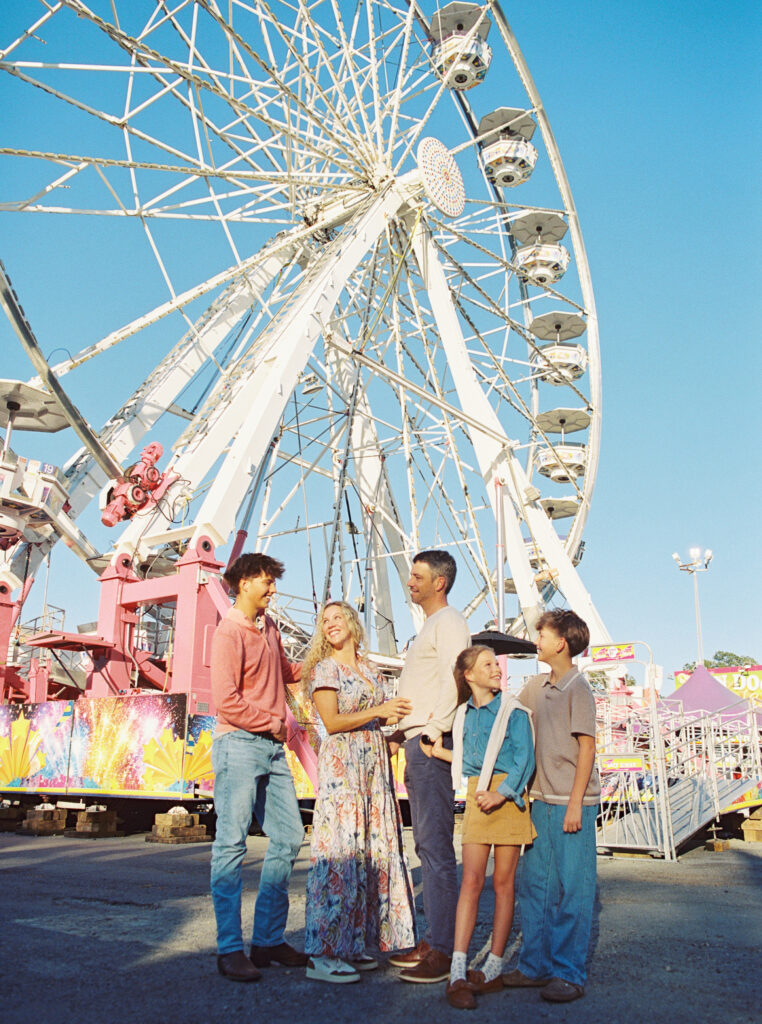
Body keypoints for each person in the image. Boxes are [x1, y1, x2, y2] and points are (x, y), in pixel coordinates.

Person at [302, 601, 417, 984]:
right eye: (325, 621)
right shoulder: (325, 669)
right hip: (343, 772)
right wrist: (379, 713)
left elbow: (384, 718)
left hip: (372, 770)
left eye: (338, 618)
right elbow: (332, 722)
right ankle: (323, 953)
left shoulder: (369, 672)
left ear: (352, 623)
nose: (331, 624)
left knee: (369, 854)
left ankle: (353, 944)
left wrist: (397, 731)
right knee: (339, 855)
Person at [210, 553, 308, 982]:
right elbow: (225, 701)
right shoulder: (228, 633)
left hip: (271, 747)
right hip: (239, 744)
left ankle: (267, 939)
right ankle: (229, 948)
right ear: (244, 582)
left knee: (289, 836)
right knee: (230, 844)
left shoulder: (269, 627)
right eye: (267, 582)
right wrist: (273, 722)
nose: (273, 589)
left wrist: (325, 657)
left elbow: (286, 672)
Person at [431, 644, 536, 1010]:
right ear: (469, 675)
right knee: (472, 881)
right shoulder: (463, 715)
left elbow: (525, 757)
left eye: (496, 663)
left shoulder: (514, 711)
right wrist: (437, 752)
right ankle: (457, 969)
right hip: (478, 794)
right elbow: (466, 758)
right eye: (488, 664)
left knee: (504, 883)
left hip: (507, 796)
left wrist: (502, 794)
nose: (497, 668)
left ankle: (492, 967)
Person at [503, 609, 600, 1004]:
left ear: (560, 642)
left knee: (573, 888)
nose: (536, 640)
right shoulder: (535, 686)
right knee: (536, 885)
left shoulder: (579, 688)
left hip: (569, 802)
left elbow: (587, 747)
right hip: (540, 799)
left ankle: (569, 973)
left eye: (541, 634)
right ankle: (534, 966)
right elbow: (509, 714)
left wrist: (576, 804)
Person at [388, 550, 472, 984]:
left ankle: (444, 949)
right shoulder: (430, 628)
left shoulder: (450, 623)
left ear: (440, 582)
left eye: (418, 576)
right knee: (424, 843)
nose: (410, 582)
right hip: (415, 739)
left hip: (429, 741)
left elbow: (459, 676)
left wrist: (434, 727)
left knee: (436, 849)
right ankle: (434, 936)